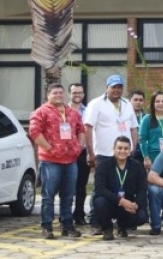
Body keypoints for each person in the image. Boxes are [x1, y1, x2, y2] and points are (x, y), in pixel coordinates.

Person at [84, 74, 140, 234]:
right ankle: (96, 222)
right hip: (104, 154)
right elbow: (88, 128)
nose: (117, 90)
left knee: (124, 187)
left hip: (125, 154)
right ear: (107, 87)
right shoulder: (96, 104)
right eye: (114, 87)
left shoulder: (127, 104)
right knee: (99, 189)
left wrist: (133, 149)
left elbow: (133, 128)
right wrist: (90, 153)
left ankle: (121, 223)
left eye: (120, 87)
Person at [29, 83, 86, 239]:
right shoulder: (41, 112)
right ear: (48, 95)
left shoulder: (73, 112)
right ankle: (47, 227)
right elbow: (34, 132)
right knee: (48, 196)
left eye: (61, 92)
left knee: (68, 196)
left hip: (71, 161)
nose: (59, 95)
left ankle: (67, 225)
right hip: (50, 161)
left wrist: (79, 147)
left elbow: (81, 130)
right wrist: (49, 148)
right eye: (55, 93)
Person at [92, 136, 148, 240]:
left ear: (130, 151)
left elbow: (142, 189)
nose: (122, 151)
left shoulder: (137, 166)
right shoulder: (103, 165)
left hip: (128, 204)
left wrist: (136, 204)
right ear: (114, 149)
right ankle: (107, 229)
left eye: (126, 149)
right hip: (110, 202)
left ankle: (122, 226)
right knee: (99, 202)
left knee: (142, 216)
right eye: (119, 148)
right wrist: (120, 200)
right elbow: (100, 189)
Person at [67, 83, 89, 226]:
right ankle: (66, 215)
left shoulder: (88, 111)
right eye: (74, 92)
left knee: (81, 186)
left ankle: (79, 214)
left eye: (80, 92)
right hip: (66, 153)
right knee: (67, 186)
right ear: (69, 94)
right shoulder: (63, 111)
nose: (77, 95)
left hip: (82, 152)